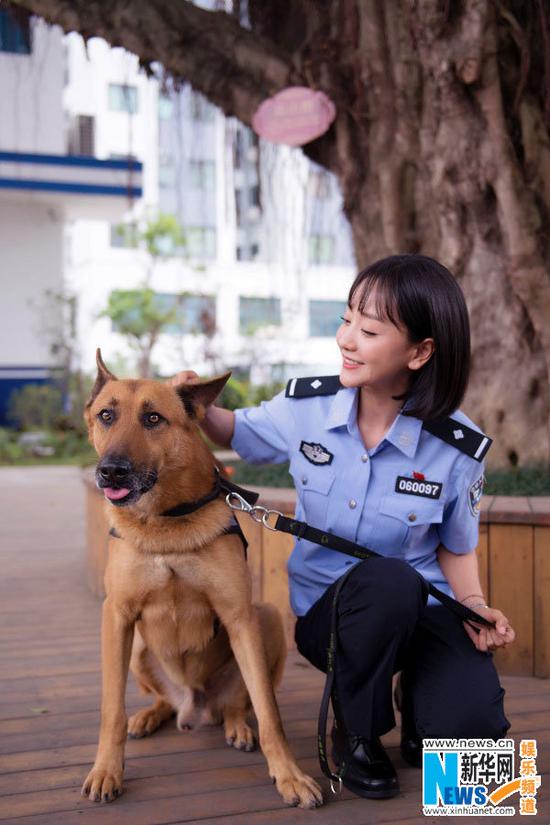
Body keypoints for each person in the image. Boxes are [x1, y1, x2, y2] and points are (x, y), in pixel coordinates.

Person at [170, 254, 515, 801]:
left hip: (424, 611)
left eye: (370, 329)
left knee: (479, 761)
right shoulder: (308, 406)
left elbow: (455, 546)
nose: (347, 340)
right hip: (331, 622)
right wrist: (191, 403)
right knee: (391, 580)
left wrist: (473, 606)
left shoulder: (457, 445)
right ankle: (358, 731)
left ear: (421, 352)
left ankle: (420, 714)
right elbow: (237, 430)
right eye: (346, 318)